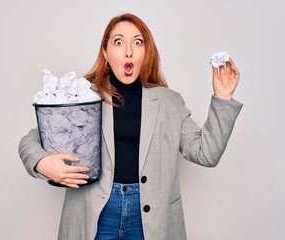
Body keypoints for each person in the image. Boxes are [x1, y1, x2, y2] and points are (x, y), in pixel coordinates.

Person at [18, 13, 243, 240]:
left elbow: (206, 153)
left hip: (150, 219)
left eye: (138, 42)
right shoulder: (84, 95)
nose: (129, 51)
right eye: (118, 42)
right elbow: (32, 140)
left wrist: (222, 98)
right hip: (96, 213)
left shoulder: (170, 102)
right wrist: (41, 162)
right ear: (105, 52)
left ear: (146, 52)